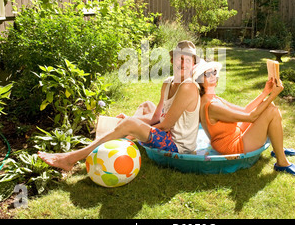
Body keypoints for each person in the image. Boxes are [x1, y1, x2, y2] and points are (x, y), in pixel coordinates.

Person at [38, 41, 201, 171]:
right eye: (179, 57)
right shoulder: (168, 83)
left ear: (193, 64)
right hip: (165, 135)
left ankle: (69, 159)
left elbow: (165, 125)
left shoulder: (188, 87)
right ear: (172, 60)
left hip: (177, 145)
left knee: (130, 124)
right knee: (145, 106)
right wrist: (133, 123)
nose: (183, 62)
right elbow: (156, 117)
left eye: (188, 59)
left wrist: (133, 126)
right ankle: (117, 136)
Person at [194, 59, 295, 180]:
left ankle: (278, 149)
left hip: (234, 135)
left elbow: (245, 110)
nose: (213, 76)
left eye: (214, 72)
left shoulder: (212, 97)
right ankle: (282, 162)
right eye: (207, 74)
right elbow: (251, 117)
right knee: (271, 111)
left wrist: (266, 92)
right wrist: (273, 95)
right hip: (231, 146)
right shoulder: (212, 105)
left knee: (269, 106)